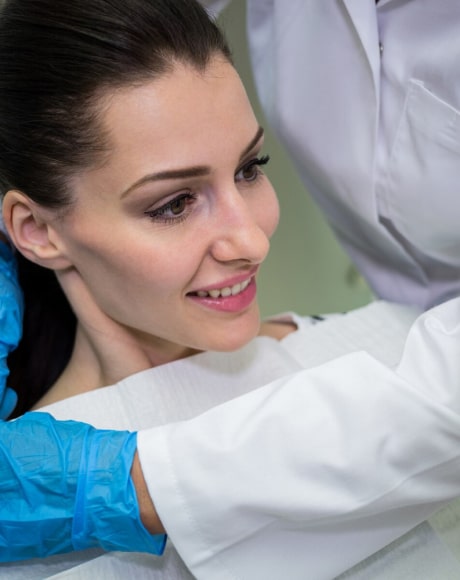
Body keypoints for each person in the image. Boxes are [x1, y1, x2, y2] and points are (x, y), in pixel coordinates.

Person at [1, 1, 460, 578]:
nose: (253, 241)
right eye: (174, 204)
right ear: (37, 231)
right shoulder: (26, 525)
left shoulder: (390, 342)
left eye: (249, 168)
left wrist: (143, 485)